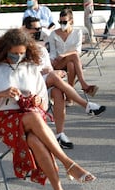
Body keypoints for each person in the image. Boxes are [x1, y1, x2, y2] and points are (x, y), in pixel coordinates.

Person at [0, 28, 96, 190]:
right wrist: (1, 94)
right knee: (32, 117)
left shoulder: (31, 68)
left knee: (35, 139)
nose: (18, 56)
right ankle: (68, 163)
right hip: (8, 122)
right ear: (6, 50)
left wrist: (38, 99)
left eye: (22, 53)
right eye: (14, 54)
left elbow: (43, 104)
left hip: (33, 120)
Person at [23, 16, 106, 149]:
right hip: (26, 86)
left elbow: (48, 69)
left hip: (43, 84)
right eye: (34, 29)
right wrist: (45, 72)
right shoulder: (18, 49)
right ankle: (86, 105)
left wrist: (52, 72)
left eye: (39, 28)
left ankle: (60, 134)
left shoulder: (41, 49)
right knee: (55, 77)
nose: (37, 31)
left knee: (58, 90)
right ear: (25, 29)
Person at [48, 8, 98, 98]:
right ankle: (83, 85)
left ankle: (69, 96)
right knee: (73, 57)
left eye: (64, 22)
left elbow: (78, 50)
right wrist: (52, 60)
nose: (62, 24)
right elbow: (52, 52)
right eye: (60, 22)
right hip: (58, 63)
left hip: (72, 62)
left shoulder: (77, 32)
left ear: (71, 21)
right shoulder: (53, 34)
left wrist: (64, 55)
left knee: (71, 64)